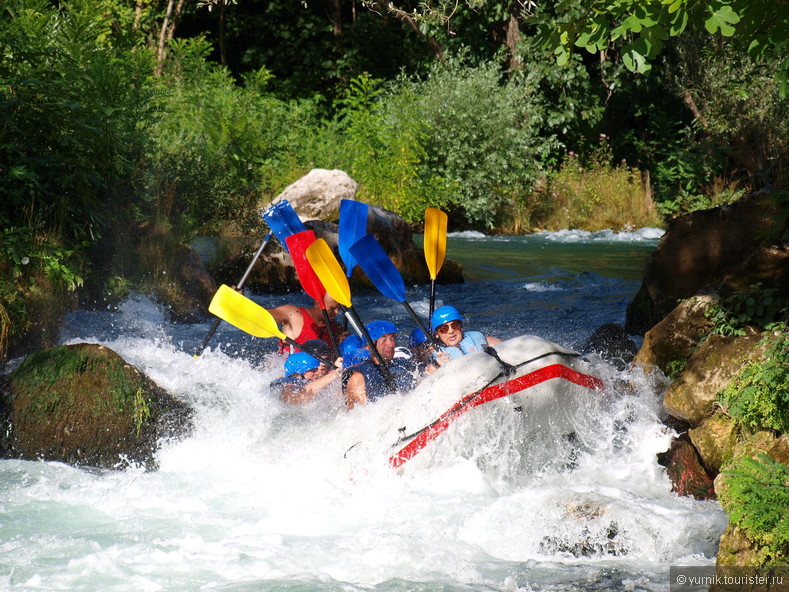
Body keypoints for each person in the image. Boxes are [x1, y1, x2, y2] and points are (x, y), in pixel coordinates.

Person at [345, 320, 421, 409]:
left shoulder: (402, 364)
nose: (391, 344)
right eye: (384, 339)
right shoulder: (359, 377)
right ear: (370, 345)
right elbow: (358, 416)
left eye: (392, 338)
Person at [265, 293, 345, 355]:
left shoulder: (337, 329)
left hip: (320, 374)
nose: (337, 312)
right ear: (318, 303)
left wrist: (343, 345)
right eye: (332, 308)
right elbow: (264, 315)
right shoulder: (293, 314)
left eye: (339, 308)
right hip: (293, 373)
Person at [429, 305, 501, 368]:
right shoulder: (438, 357)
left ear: (461, 327)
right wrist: (439, 367)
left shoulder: (477, 338)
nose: (451, 331)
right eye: (444, 329)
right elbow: (425, 379)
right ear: (436, 334)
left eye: (454, 325)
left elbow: (505, 348)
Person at [269, 351, 343, 405]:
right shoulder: (285, 387)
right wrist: (335, 373)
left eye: (317, 369)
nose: (317, 373)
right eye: (313, 370)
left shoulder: (310, 383)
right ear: (298, 373)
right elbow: (300, 396)